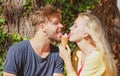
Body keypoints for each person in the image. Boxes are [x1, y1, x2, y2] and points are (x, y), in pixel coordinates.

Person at [3, 5, 64, 76]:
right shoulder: (17, 51)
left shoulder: (57, 54)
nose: (61, 26)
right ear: (42, 27)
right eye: (56, 23)